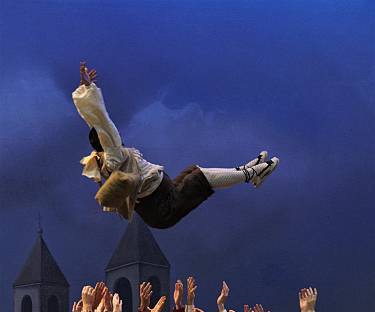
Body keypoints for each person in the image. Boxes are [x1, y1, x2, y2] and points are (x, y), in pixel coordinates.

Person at [72, 63, 279, 229]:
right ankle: (253, 173)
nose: (118, 138)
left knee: (194, 171)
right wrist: (90, 95)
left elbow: (96, 121)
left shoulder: (112, 153)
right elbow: (103, 125)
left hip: (163, 194)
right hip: (162, 209)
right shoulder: (113, 158)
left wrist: (87, 89)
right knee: (199, 179)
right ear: (106, 144)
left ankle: (245, 171)